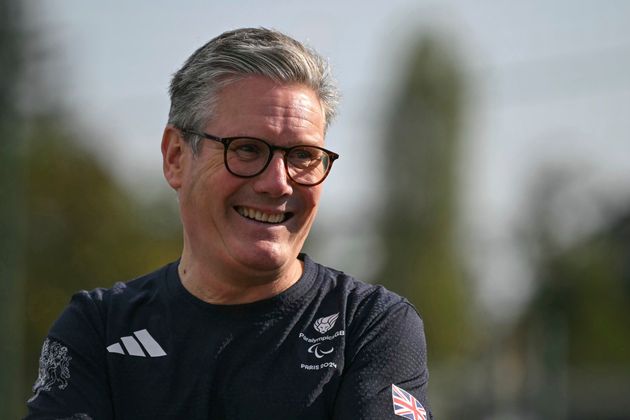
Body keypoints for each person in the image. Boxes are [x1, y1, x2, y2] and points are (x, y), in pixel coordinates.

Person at [26, 27, 433, 420]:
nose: (277, 183)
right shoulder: (98, 329)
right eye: (248, 149)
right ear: (176, 158)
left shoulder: (368, 327)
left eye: (303, 156)